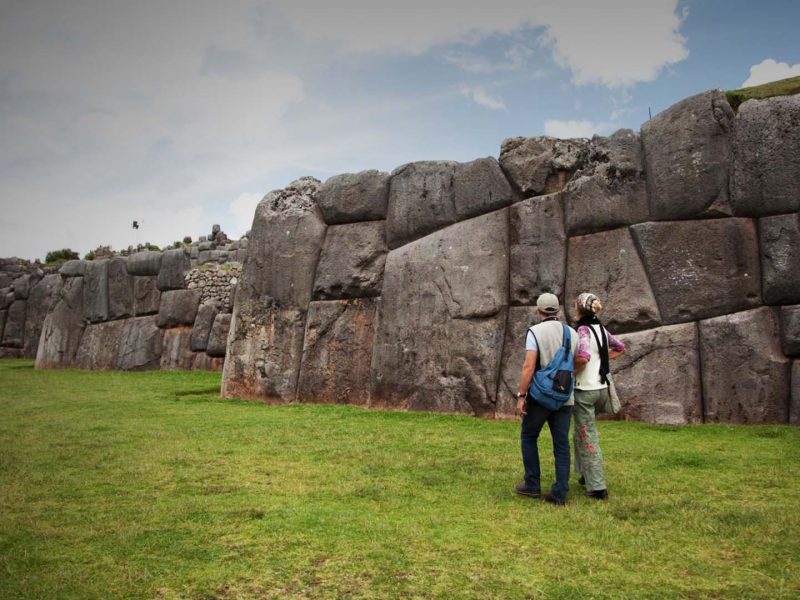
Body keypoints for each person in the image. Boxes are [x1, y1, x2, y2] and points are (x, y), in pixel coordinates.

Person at [515, 293, 579, 506]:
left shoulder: (535, 332)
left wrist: (522, 395)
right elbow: (577, 362)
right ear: (558, 310)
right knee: (561, 443)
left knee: (529, 435)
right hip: (564, 397)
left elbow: (529, 366)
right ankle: (560, 492)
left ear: (538, 311)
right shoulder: (572, 333)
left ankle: (532, 484)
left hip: (541, 396)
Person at [572, 292, 626, 500]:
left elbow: (583, 357)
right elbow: (620, 347)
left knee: (587, 435)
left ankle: (597, 486)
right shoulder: (600, 328)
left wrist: (568, 368)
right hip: (601, 387)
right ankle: (586, 473)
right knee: (580, 432)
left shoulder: (583, 330)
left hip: (585, 390)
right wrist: (602, 361)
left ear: (579, 308)